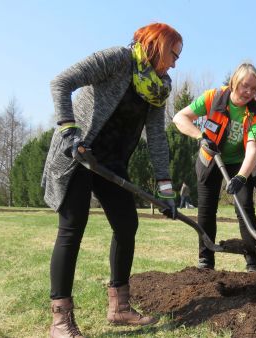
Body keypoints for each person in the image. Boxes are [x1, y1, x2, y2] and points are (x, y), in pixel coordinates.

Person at [41, 23, 182, 337]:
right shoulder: (118, 59)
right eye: (173, 54)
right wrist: (69, 132)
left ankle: (119, 307)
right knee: (72, 228)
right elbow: (61, 82)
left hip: (112, 163)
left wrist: (166, 190)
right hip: (79, 153)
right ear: (158, 45)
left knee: (126, 224)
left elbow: (157, 138)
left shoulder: (159, 87)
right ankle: (60, 321)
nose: (175, 63)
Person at [173, 63, 256, 272]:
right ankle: (206, 260)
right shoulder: (213, 97)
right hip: (210, 158)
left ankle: (254, 264)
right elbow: (179, 118)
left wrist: (241, 177)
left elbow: (252, 149)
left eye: (254, 89)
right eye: (245, 86)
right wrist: (201, 137)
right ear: (234, 81)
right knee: (206, 210)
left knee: (244, 208)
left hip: (240, 163)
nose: (249, 92)